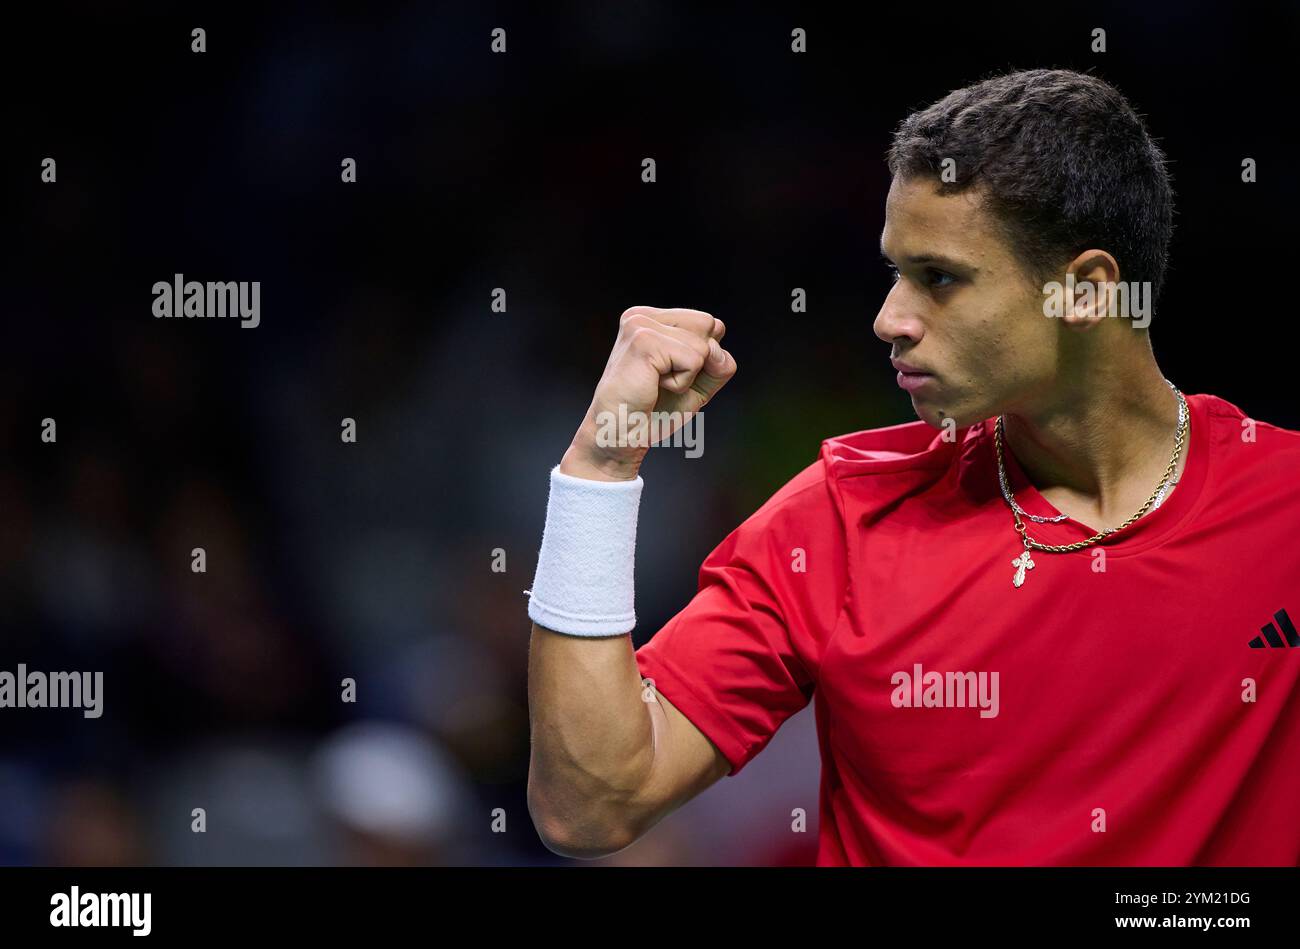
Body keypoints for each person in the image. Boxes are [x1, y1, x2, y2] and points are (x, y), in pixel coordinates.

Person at [524, 68, 1300, 865]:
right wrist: (600, 466)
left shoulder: (1287, 508)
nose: (889, 319)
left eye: (939, 279)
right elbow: (589, 806)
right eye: (895, 273)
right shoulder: (837, 520)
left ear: (1087, 291)